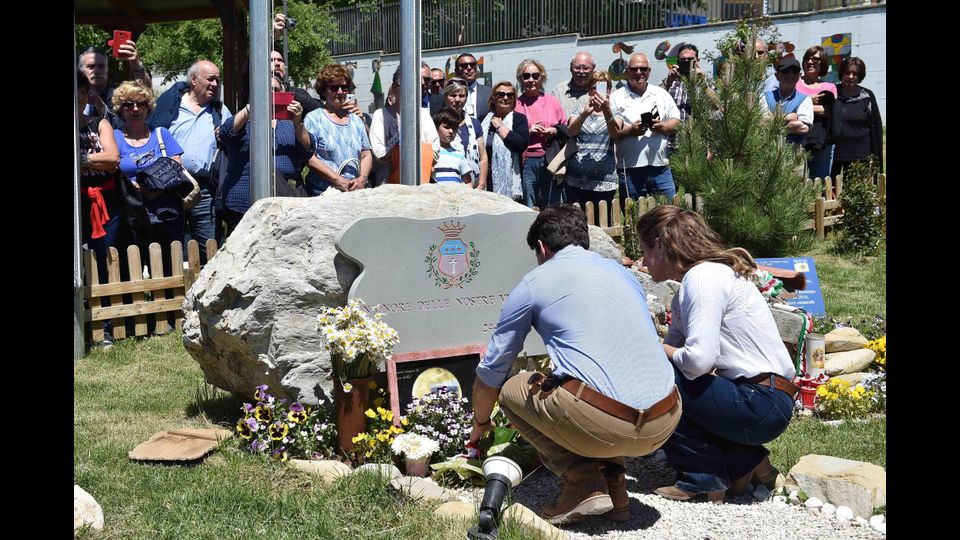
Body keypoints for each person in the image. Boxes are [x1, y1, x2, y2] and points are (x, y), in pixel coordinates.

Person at [469, 205, 681, 525]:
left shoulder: (535, 282)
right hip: (666, 418)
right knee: (592, 379)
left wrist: (480, 423)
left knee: (514, 388)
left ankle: (582, 480)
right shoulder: (623, 273)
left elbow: (494, 370)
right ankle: (616, 489)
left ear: (541, 248)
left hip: (610, 424)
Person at [635, 205, 797, 503]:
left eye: (643, 249)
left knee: (656, 374)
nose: (641, 261)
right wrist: (662, 350)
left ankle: (702, 476)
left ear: (659, 245)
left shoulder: (703, 278)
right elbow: (679, 349)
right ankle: (743, 463)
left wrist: (655, 350)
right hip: (765, 397)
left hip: (760, 401)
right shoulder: (695, 282)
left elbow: (698, 361)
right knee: (664, 367)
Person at [148, 59, 232, 263]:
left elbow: (232, 140)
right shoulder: (170, 107)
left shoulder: (221, 111)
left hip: (204, 190)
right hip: (170, 187)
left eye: (217, 80)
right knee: (170, 247)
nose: (215, 84)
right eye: (210, 79)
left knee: (208, 248)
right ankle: (173, 293)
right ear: (193, 80)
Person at [217, 76, 313, 237]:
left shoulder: (290, 123)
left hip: (285, 203)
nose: (270, 96)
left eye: (275, 91)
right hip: (244, 202)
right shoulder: (245, 120)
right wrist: (250, 108)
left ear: (284, 94)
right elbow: (225, 132)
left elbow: (309, 148)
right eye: (264, 92)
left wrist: (298, 122)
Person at [112, 81, 186, 277]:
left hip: (165, 213)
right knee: (131, 269)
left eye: (141, 103)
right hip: (131, 215)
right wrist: (137, 188)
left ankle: (171, 307)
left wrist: (153, 187)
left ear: (148, 107)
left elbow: (176, 166)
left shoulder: (162, 134)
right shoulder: (115, 137)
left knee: (167, 269)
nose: (135, 109)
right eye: (128, 104)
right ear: (121, 109)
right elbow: (111, 170)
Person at [77, 69, 124, 347]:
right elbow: (102, 158)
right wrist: (95, 159)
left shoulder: (98, 122)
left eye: (81, 91)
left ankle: (105, 327)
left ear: (85, 95)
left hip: (104, 204)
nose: (77, 96)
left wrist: (82, 158)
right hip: (76, 204)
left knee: (103, 262)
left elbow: (112, 157)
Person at [609, 52, 681, 205]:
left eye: (643, 69)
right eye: (634, 69)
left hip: (660, 167)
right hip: (630, 169)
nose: (639, 73)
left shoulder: (661, 94)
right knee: (634, 217)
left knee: (669, 214)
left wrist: (662, 127)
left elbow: (677, 122)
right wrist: (631, 130)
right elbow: (614, 132)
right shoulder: (616, 97)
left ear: (649, 71)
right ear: (627, 71)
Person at [302, 63, 373, 195]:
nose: (340, 92)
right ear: (323, 90)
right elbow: (310, 158)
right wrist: (338, 180)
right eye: (334, 88)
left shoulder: (356, 120)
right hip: (323, 193)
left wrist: (362, 178)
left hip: (354, 191)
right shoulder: (313, 119)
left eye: (344, 88)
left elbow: (366, 154)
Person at [564, 70, 621, 224]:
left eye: (603, 87)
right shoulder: (579, 110)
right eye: (593, 87)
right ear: (589, 90)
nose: (597, 91)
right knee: (577, 226)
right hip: (577, 180)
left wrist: (607, 111)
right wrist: (584, 114)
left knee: (603, 224)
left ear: (609, 90)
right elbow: (571, 131)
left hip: (604, 182)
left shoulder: (615, 112)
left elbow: (615, 134)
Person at [369, 68, 440, 185]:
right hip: (388, 184)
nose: (411, 90)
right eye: (407, 85)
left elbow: (435, 148)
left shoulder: (423, 114)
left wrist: (411, 153)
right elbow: (377, 152)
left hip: (421, 181)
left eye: (415, 86)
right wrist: (402, 152)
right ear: (395, 87)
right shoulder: (380, 115)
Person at [514, 59, 567, 208]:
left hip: (550, 157)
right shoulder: (516, 104)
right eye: (526, 76)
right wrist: (528, 132)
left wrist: (555, 130)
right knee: (528, 203)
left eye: (535, 76)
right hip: (526, 160)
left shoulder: (553, 102)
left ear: (542, 77)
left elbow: (565, 127)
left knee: (552, 202)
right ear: (520, 79)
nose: (531, 80)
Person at [829, 57, 883, 179]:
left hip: (860, 154)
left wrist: (875, 157)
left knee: (856, 193)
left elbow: (875, 127)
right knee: (829, 191)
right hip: (835, 154)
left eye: (855, 74)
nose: (851, 76)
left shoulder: (867, 96)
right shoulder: (832, 93)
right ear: (842, 74)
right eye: (848, 73)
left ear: (860, 76)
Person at [78, 43, 152, 128]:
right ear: (80, 70)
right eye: (91, 66)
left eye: (101, 66)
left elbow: (145, 91)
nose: (97, 70)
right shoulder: (75, 98)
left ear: (107, 69)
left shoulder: (121, 97)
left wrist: (137, 66)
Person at [480, 81, 529, 201]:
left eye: (510, 95)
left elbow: (520, 144)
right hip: (484, 176)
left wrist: (500, 127)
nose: (505, 97)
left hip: (509, 177)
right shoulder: (482, 120)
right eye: (501, 94)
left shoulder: (519, 119)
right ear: (493, 97)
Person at [796, 46, 837, 180]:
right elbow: (786, 108)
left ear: (823, 63)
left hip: (822, 145)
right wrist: (811, 102)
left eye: (815, 59)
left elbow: (830, 112)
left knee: (819, 184)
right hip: (796, 142)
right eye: (807, 58)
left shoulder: (830, 87)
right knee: (796, 183)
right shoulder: (795, 83)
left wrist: (803, 104)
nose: (810, 61)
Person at [440, 78, 488, 189]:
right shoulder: (437, 123)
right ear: (446, 96)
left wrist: (481, 184)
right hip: (446, 186)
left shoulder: (474, 124)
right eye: (452, 95)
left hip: (473, 187)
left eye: (461, 96)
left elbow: (483, 157)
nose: (457, 100)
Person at [760, 57, 813, 146]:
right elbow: (761, 123)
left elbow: (803, 128)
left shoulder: (805, 100)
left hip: (794, 156)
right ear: (777, 75)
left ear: (799, 76)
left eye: (794, 71)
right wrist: (787, 118)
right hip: (766, 153)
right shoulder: (765, 97)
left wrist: (772, 120)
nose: (790, 74)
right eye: (785, 71)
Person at [270, 50, 322, 116]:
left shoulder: (298, 95)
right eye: (272, 60)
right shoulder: (254, 95)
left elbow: (322, 111)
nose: (277, 63)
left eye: (280, 60)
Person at [432, 107, 473, 185]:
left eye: (454, 128)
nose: (451, 131)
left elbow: (468, 182)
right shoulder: (431, 152)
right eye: (446, 127)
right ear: (436, 128)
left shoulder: (459, 155)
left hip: (455, 196)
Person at [552, 51, 595, 117]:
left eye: (585, 68)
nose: (581, 71)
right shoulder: (558, 92)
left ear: (593, 68)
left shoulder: (600, 91)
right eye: (577, 68)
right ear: (570, 68)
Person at [454, 53, 491, 120]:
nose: (469, 68)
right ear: (456, 71)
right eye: (464, 65)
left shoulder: (489, 92)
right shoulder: (447, 95)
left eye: (472, 65)